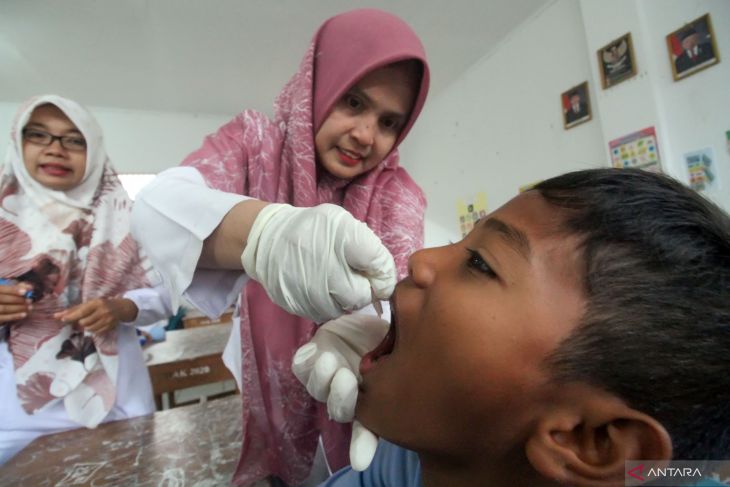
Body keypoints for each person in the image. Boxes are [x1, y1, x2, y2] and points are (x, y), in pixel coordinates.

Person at [131, 8, 429, 486]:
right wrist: (266, 233)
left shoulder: (397, 194)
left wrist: (380, 339)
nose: (366, 135)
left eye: (389, 122)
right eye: (352, 102)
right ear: (318, 85)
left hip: (354, 416)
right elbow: (156, 207)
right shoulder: (254, 146)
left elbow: (396, 299)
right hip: (265, 405)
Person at [299, 168, 730, 486]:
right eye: (462, 242)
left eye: (481, 264)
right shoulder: (406, 463)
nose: (421, 260)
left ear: (592, 440)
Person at [0, 95, 171, 465]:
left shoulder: (127, 218)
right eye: (40, 135)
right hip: (20, 411)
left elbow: (167, 292)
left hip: (117, 399)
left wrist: (122, 307)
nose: (57, 150)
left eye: (74, 140)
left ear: (93, 149)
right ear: (19, 141)